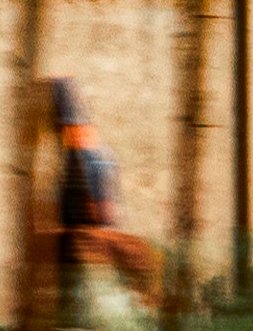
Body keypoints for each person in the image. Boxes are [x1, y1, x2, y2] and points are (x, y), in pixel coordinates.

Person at [44, 76, 167, 312]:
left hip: (88, 261)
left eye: (67, 127)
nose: (64, 134)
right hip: (72, 261)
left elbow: (106, 216)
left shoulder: (96, 161)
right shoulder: (72, 160)